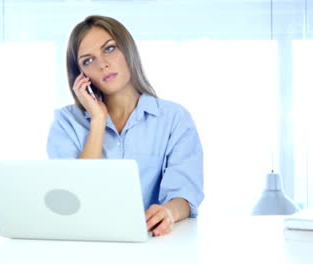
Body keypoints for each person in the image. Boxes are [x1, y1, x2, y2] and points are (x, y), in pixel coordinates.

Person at [47, 15, 204, 236]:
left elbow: (185, 194)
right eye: (88, 61)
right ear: (81, 75)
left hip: (154, 243)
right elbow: (75, 196)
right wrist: (98, 121)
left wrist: (168, 213)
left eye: (109, 49)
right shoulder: (66, 123)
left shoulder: (174, 118)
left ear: (128, 51)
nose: (103, 64)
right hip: (85, 242)